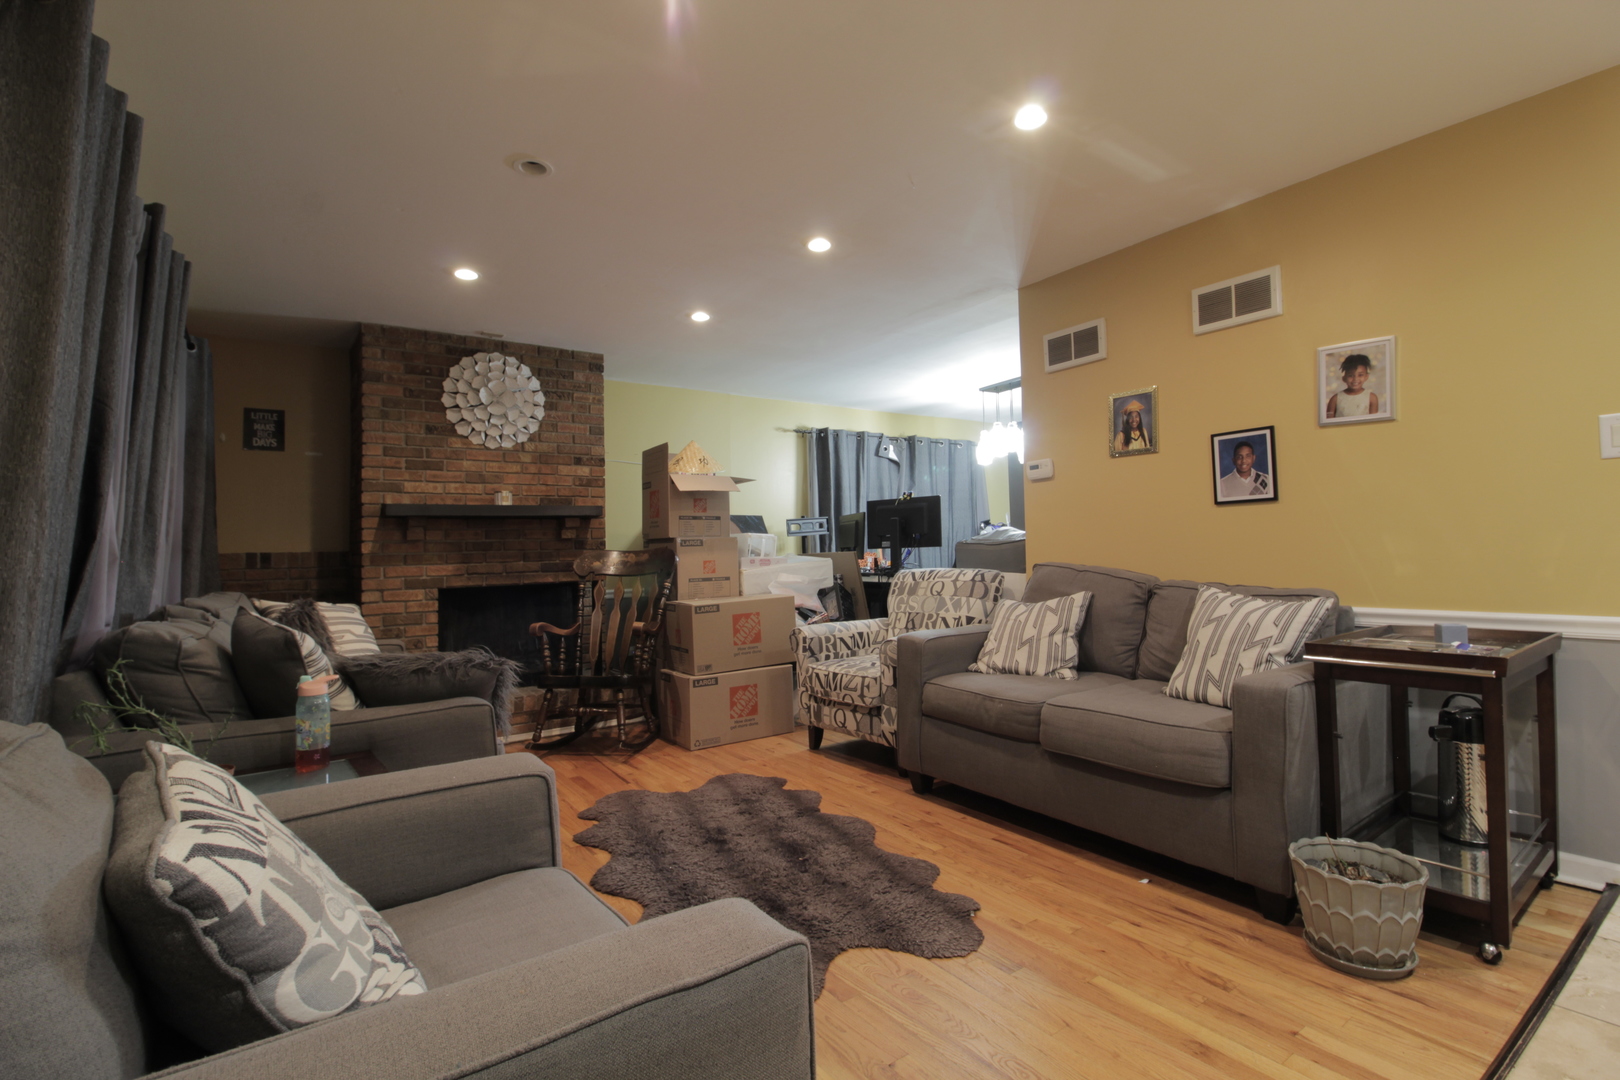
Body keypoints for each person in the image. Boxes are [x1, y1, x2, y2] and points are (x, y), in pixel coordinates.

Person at [1326, 353, 1379, 418]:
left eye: (1360, 375)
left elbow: (1374, 422)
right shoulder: (1335, 399)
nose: (1355, 379)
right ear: (1344, 378)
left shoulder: (1372, 398)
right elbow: (1329, 424)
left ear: (1366, 377)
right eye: (1350, 375)